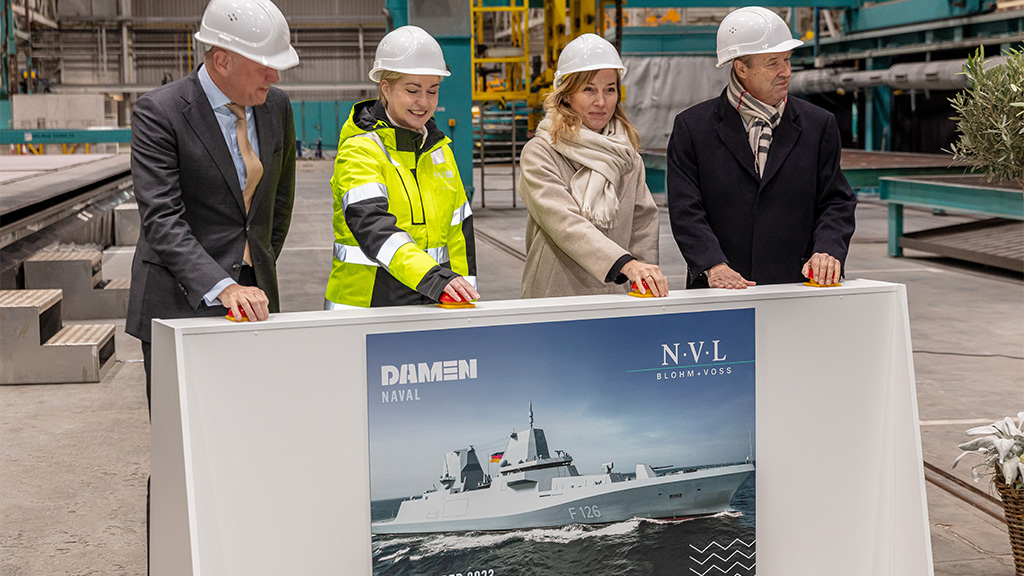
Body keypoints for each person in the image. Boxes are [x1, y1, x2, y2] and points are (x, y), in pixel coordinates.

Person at [127, 0, 299, 405]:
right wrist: (223, 284)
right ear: (222, 61)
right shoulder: (161, 112)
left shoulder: (276, 107)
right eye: (264, 66)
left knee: (248, 426)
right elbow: (162, 218)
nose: (274, 76)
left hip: (254, 298)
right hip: (179, 299)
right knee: (183, 444)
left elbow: (280, 201)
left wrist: (254, 264)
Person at [666, 7, 856, 289]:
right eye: (772, 63)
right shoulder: (693, 128)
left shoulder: (819, 125)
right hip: (722, 288)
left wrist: (828, 249)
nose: (786, 72)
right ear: (741, 68)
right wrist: (712, 264)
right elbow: (685, 209)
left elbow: (836, 200)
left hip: (795, 287)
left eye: (787, 60)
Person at [324, 25, 478, 308]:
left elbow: (459, 233)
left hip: (435, 301)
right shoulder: (361, 150)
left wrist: (465, 293)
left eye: (433, 91)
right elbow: (373, 227)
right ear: (386, 87)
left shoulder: (439, 151)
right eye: (412, 90)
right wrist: (434, 278)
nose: (424, 102)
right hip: (367, 305)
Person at [518, 33, 667, 298]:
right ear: (566, 95)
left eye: (609, 89)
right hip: (556, 295)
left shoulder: (626, 155)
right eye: (589, 89)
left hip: (615, 291)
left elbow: (643, 220)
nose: (601, 101)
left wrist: (644, 275)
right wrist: (625, 263)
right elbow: (564, 223)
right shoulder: (541, 152)